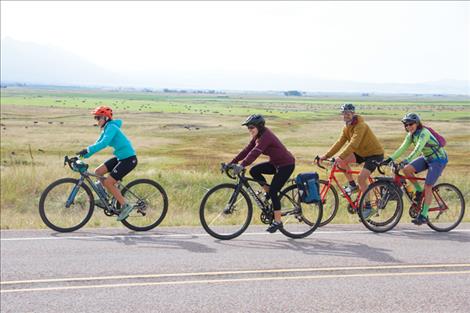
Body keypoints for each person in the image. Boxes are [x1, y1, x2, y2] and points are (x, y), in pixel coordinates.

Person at [230, 114, 295, 233]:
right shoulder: (258, 135)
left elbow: (255, 152)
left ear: (259, 127)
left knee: (274, 192)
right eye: (248, 128)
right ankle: (267, 190)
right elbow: (247, 150)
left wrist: (242, 165)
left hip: (286, 165)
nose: (249, 130)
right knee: (254, 171)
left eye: (251, 127)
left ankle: (278, 222)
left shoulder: (266, 136)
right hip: (275, 164)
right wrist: (232, 162)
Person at [382, 113, 448, 225]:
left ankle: (424, 215)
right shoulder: (411, 135)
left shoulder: (424, 133)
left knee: (428, 186)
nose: (408, 127)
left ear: (417, 123)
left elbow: (417, 150)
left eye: (411, 124)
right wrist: (389, 159)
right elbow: (402, 148)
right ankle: (418, 190)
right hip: (427, 158)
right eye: (406, 125)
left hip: (438, 159)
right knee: (407, 170)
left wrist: (406, 160)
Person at [319, 103, 384, 217]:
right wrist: (326, 156)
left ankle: (368, 207)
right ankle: (352, 185)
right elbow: (339, 143)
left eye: (348, 113)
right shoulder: (346, 127)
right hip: (362, 153)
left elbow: (354, 144)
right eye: (344, 113)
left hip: (374, 154)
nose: (346, 115)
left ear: (353, 113)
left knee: (361, 178)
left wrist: (340, 156)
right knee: (341, 162)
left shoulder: (361, 125)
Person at [76, 106, 138, 221]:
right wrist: (82, 155)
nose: (96, 120)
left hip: (128, 159)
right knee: (98, 172)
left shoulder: (112, 127)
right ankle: (104, 198)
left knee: (109, 182)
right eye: (95, 118)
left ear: (105, 118)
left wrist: (88, 150)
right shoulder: (106, 128)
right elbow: (98, 143)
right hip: (120, 157)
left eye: (98, 118)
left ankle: (126, 205)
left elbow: (104, 143)